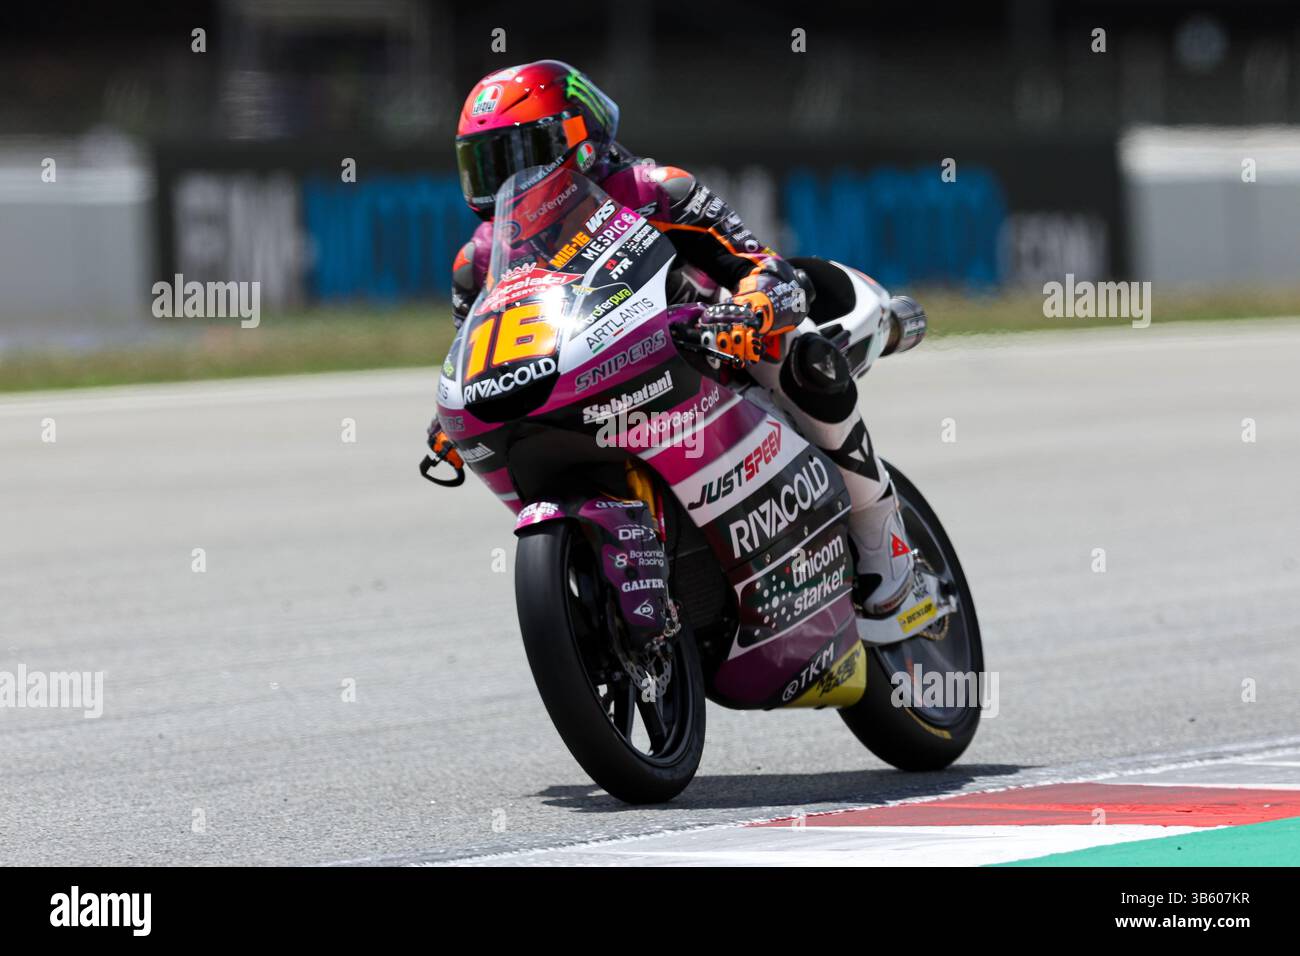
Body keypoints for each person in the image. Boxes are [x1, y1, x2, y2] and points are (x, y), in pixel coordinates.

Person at [445, 60, 919, 617]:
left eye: (520, 156)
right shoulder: (479, 260)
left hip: (704, 345)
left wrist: (756, 304)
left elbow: (757, 262)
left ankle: (875, 517)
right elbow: (475, 347)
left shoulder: (653, 190)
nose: (508, 181)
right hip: (591, 380)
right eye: (487, 164)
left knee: (801, 357)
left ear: (578, 138)